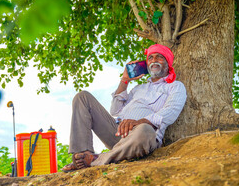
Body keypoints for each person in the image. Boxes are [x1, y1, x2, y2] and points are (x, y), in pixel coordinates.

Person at [62, 44, 187, 172]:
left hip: (140, 136)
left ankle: (96, 159)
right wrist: (125, 80)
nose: (154, 61)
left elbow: (171, 111)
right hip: (118, 132)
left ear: (168, 63)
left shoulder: (175, 86)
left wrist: (138, 123)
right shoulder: (138, 88)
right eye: (150, 58)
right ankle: (82, 156)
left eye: (159, 57)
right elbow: (115, 110)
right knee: (82, 97)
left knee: (145, 130)